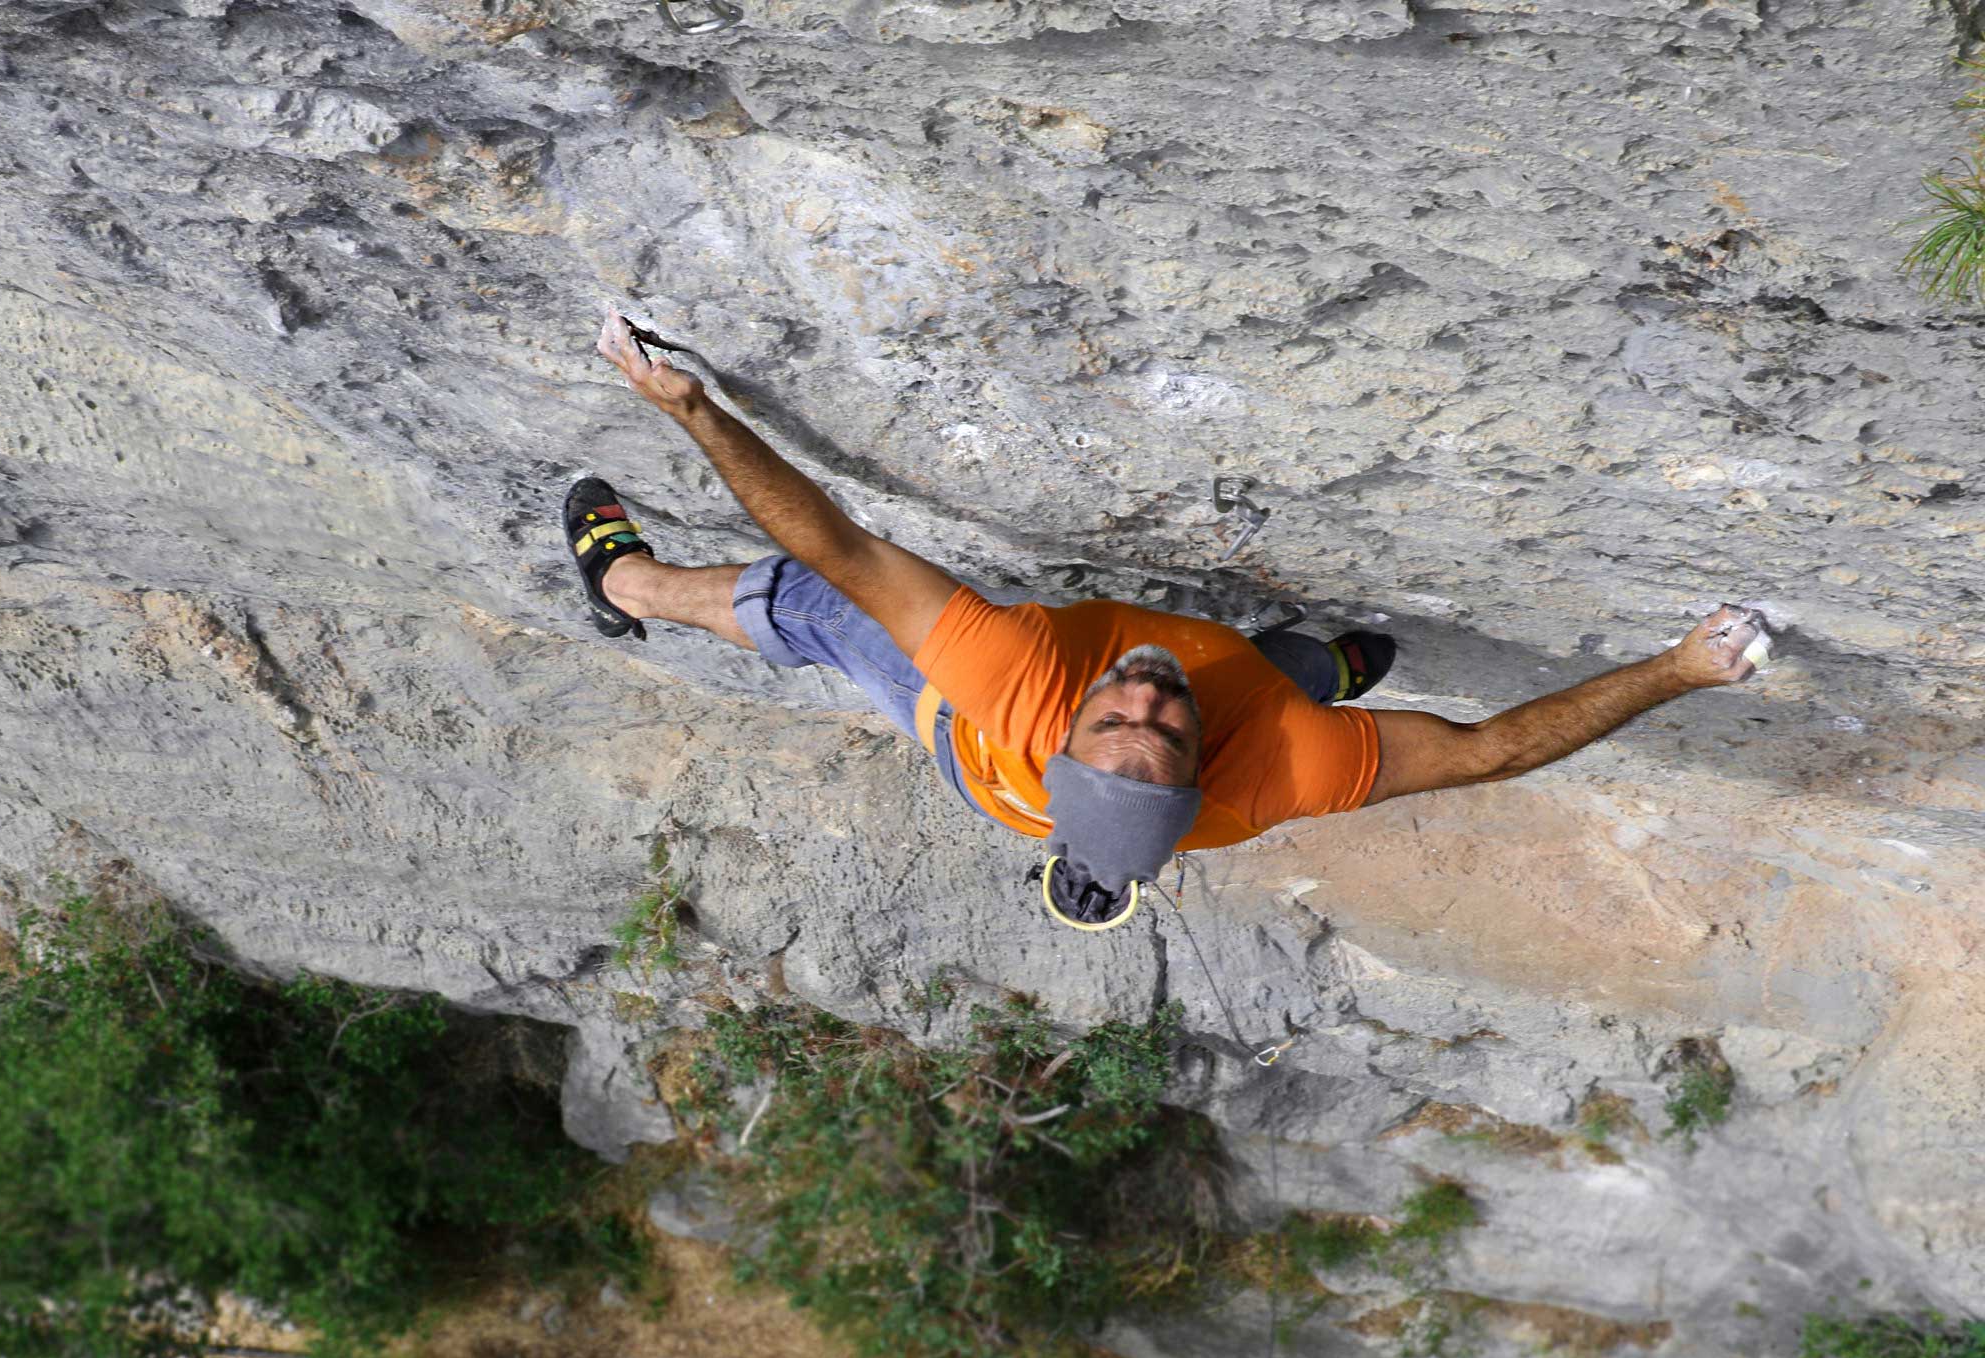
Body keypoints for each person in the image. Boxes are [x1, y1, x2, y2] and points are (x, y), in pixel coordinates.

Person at [569, 309, 1766, 929]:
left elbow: (832, 543)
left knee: (831, 609)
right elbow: (1490, 750)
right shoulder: (1272, 768)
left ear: (1068, 737)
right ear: (1206, 764)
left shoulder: (1011, 683)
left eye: (1123, 718)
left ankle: (624, 587)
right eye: (1162, 723)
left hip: (963, 747)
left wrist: (691, 407)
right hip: (1229, 730)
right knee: (1285, 674)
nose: (1142, 690)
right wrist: (1679, 668)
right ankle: (1308, 670)